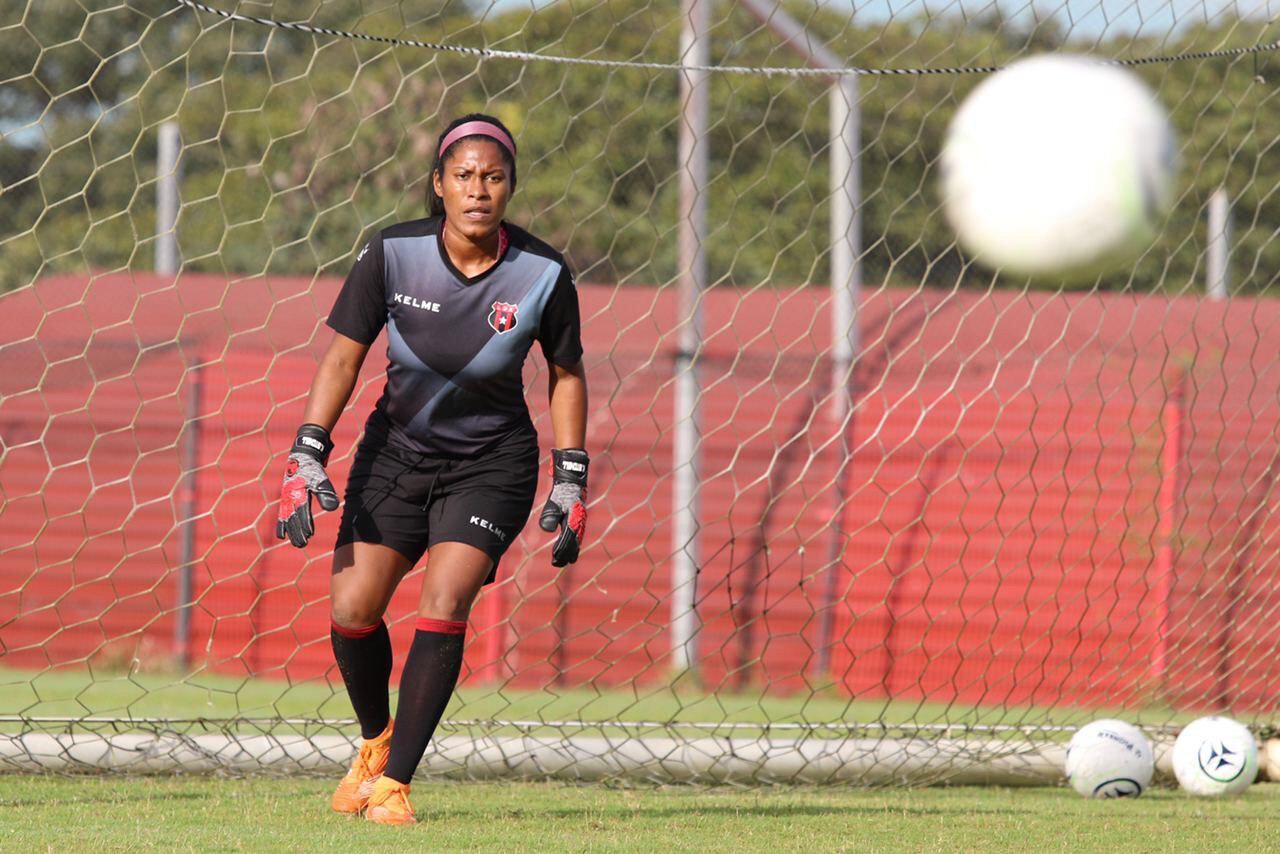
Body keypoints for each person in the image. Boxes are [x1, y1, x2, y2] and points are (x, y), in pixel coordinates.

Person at [274, 113, 589, 826]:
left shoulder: (543, 273)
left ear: (510, 188)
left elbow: (566, 375)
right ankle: (375, 743)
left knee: (444, 603)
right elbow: (343, 356)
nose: (479, 188)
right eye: (465, 176)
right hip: (396, 454)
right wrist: (308, 449)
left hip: (491, 465)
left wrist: (570, 474)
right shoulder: (392, 253)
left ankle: (396, 787)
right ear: (439, 185)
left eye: (494, 176)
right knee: (353, 610)